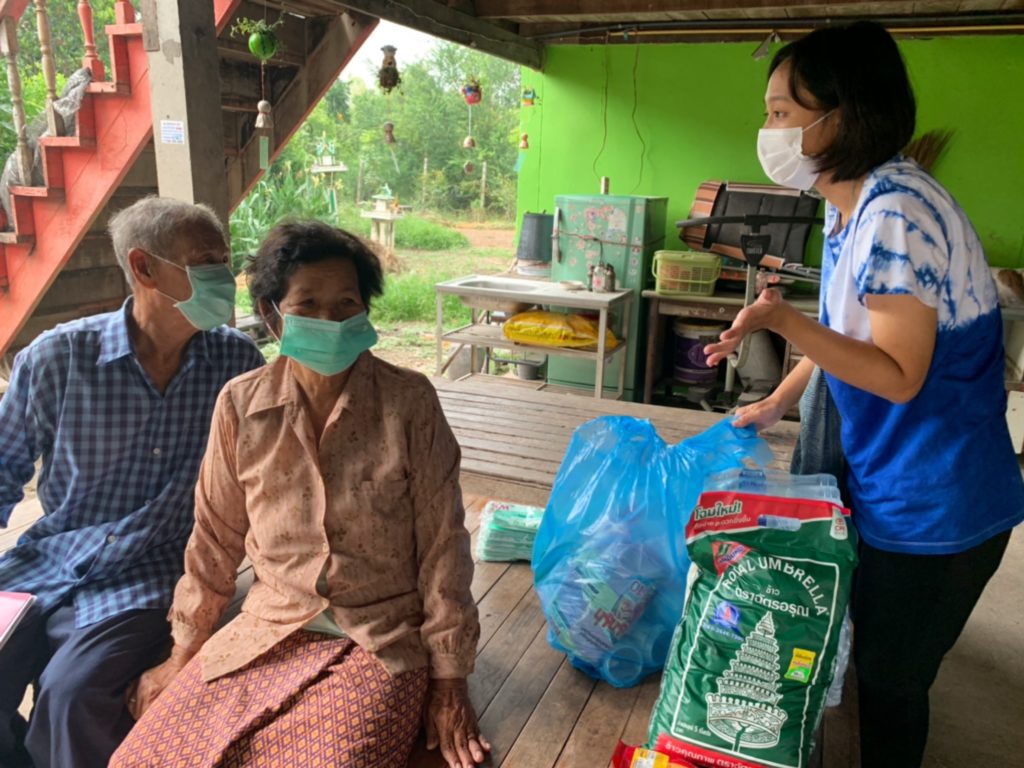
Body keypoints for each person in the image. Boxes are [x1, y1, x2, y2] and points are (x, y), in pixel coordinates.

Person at [703, 21, 1024, 768]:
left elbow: (897, 372)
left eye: (783, 112)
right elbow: (840, 328)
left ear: (841, 116)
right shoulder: (850, 203)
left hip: (940, 507)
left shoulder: (896, 214)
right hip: (895, 487)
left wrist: (777, 317)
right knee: (866, 666)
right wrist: (782, 396)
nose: (769, 129)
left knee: (890, 687)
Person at [111, 221, 488, 768]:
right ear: (271, 314)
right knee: (140, 760)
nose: (330, 321)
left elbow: (443, 546)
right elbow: (215, 538)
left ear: (365, 312)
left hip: (379, 639)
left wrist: (450, 678)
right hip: (266, 629)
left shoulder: (409, 402)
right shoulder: (241, 406)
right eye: (307, 305)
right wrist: (183, 654)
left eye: (346, 304)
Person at [0, 197, 264, 768]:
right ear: (144, 268)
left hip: (150, 573)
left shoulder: (237, 365)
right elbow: (2, 469)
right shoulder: (58, 359)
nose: (224, 278)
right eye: (205, 262)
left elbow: (268, 481)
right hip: (48, 560)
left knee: (72, 696)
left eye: (224, 260)